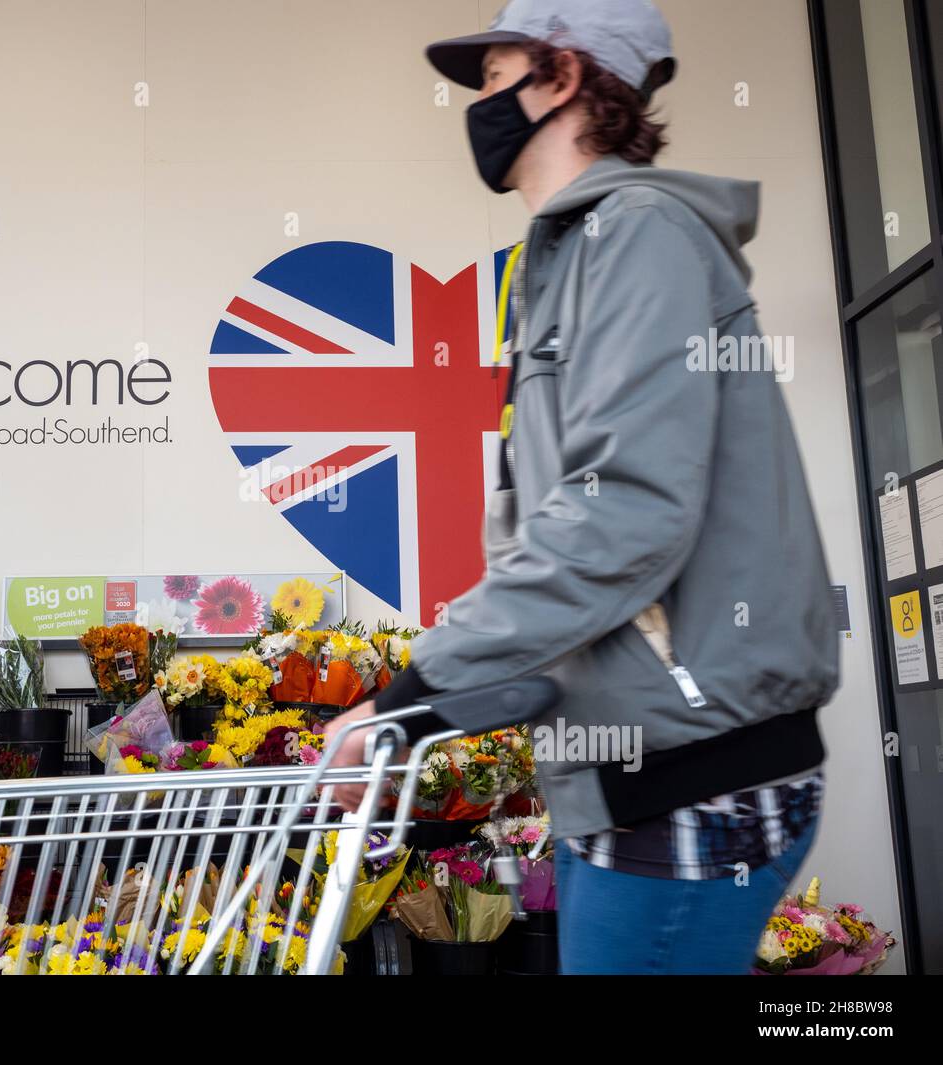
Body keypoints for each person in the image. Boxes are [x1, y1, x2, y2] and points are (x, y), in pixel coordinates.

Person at [325, 0, 839, 975]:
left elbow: (622, 513)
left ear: (560, 78)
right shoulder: (571, 255)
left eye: (490, 78)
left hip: (687, 774)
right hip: (635, 766)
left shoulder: (635, 237)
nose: (475, 105)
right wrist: (426, 718)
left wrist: (407, 695)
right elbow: (581, 554)